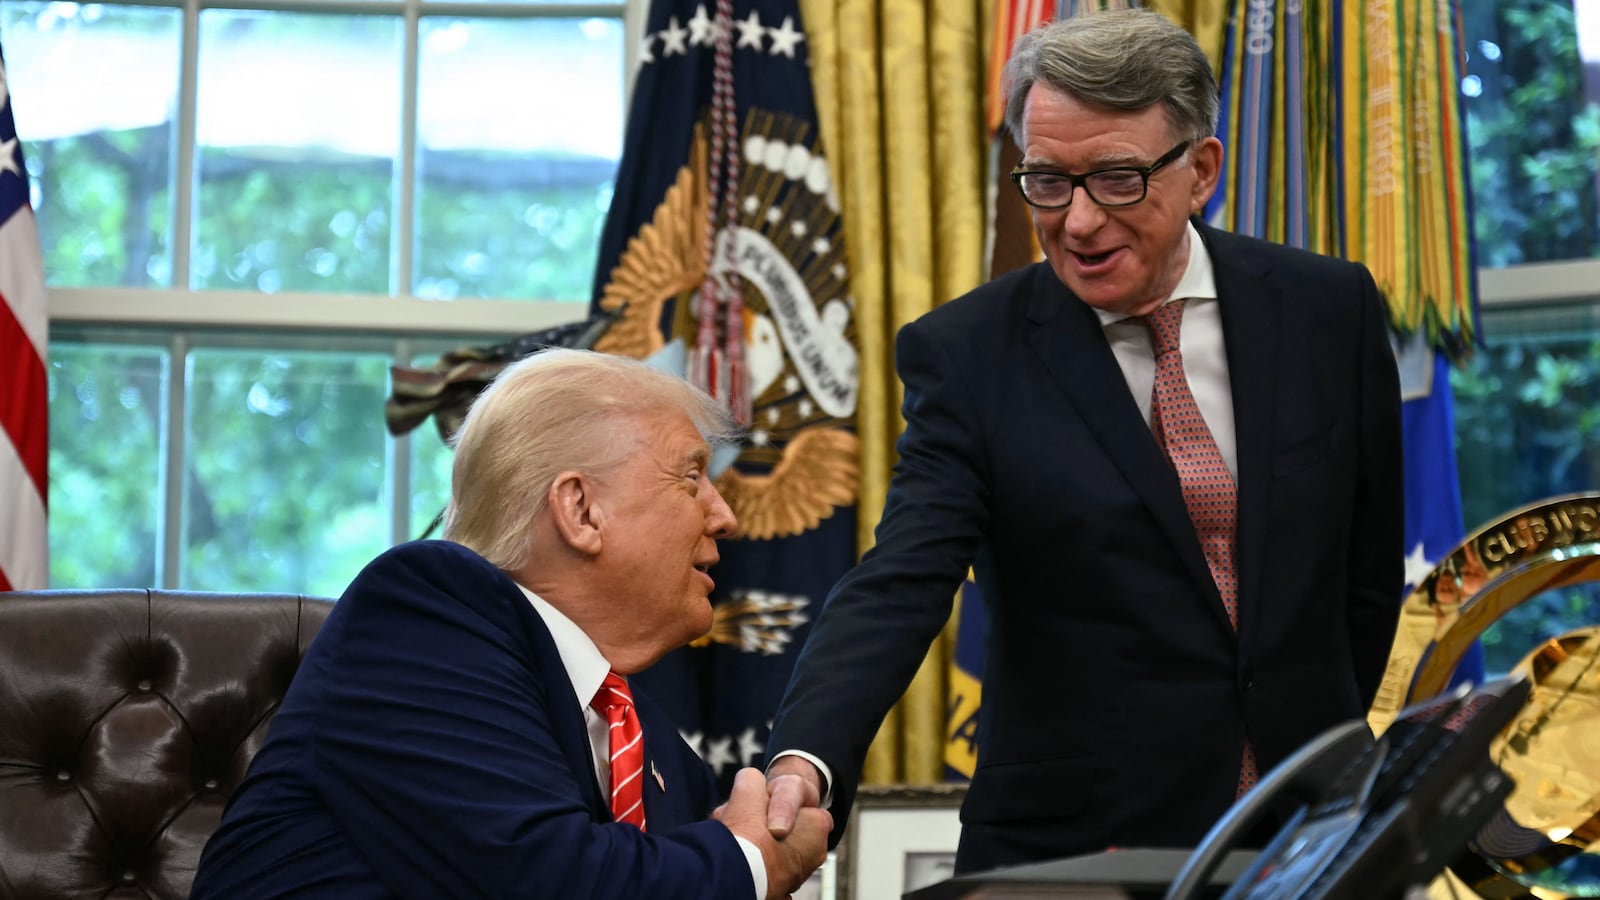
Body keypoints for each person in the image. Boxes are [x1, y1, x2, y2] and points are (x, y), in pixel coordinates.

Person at [762, 8, 1404, 875]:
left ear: (1200, 170)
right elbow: (901, 580)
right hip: (1079, 849)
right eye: (1049, 182)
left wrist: (1314, 733)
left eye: (1116, 179)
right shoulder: (968, 354)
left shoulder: (1328, 311)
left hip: (1310, 831)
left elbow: (1363, 580)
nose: (1079, 222)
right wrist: (808, 756)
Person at [192, 348, 830, 899]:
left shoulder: (661, 754)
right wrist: (752, 860)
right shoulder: (421, 618)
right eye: (691, 476)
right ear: (580, 510)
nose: (726, 518)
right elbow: (549, 881)